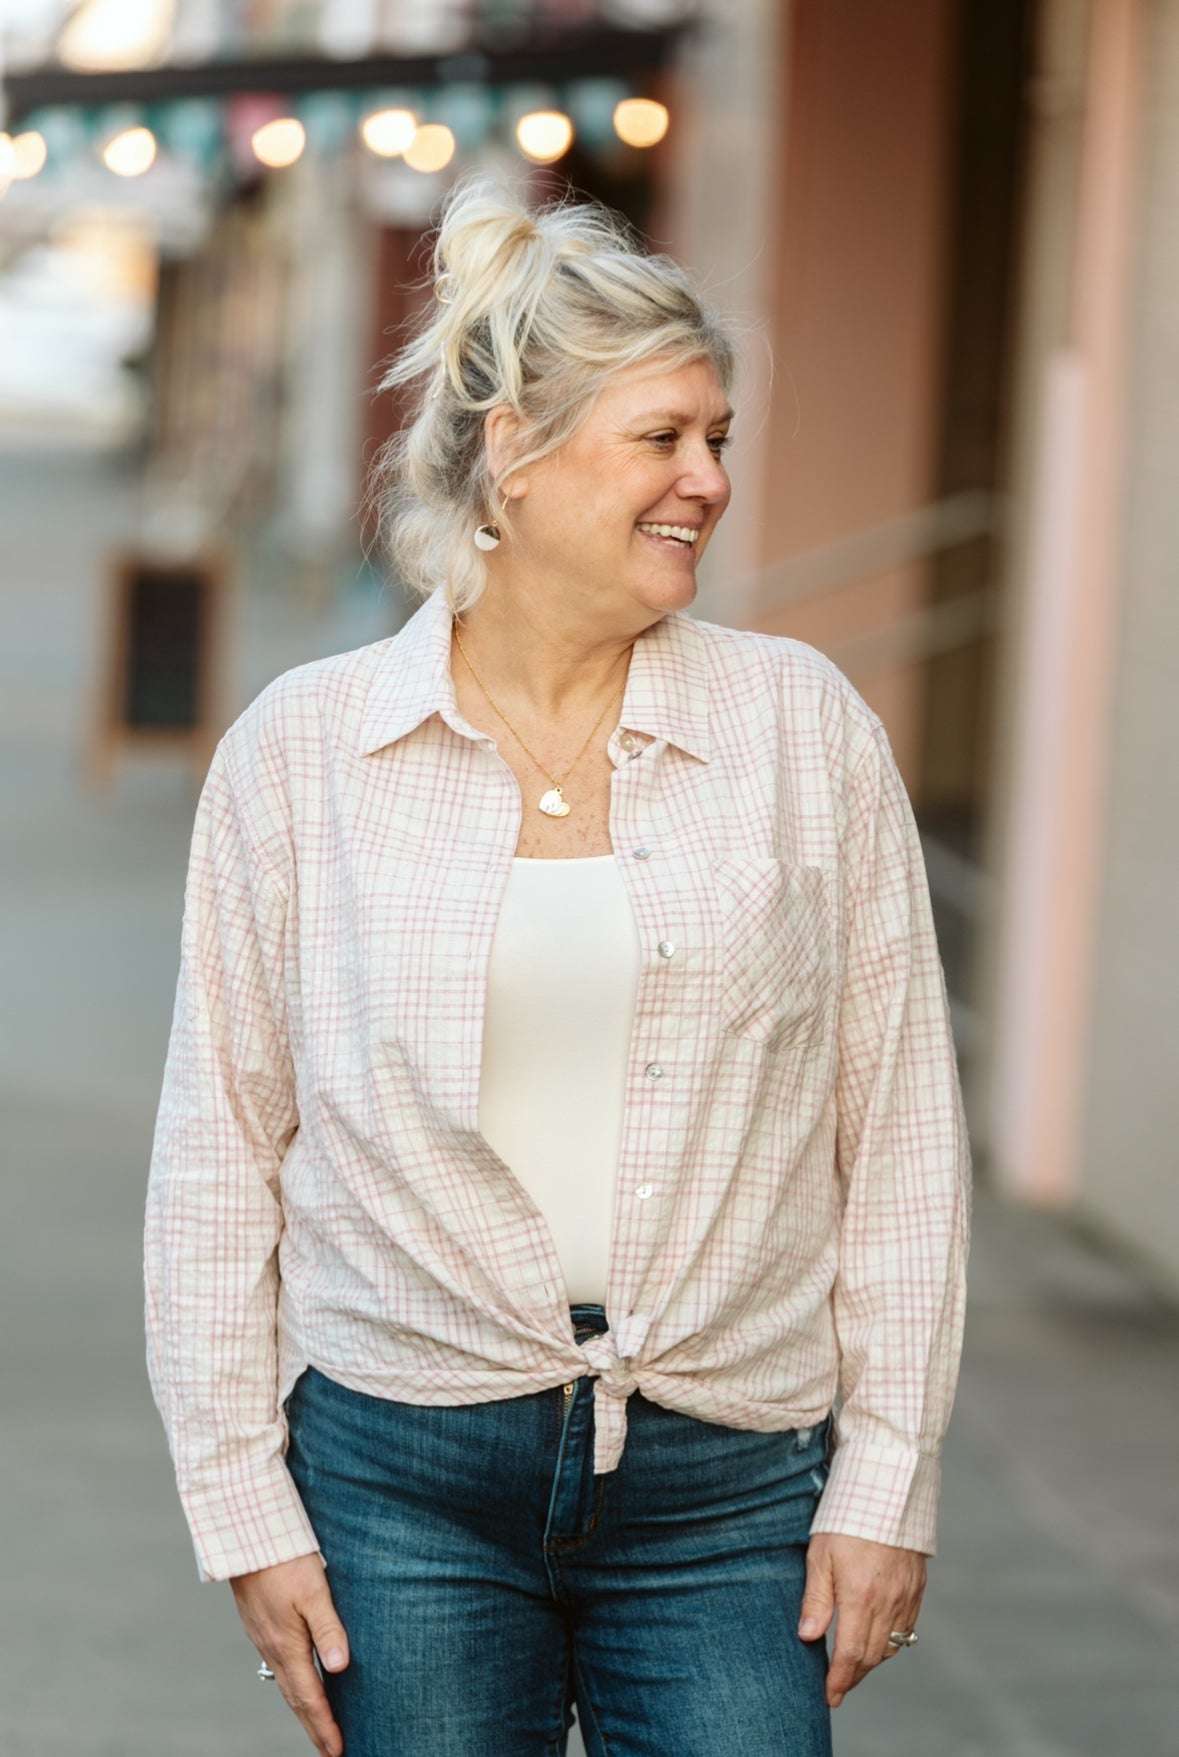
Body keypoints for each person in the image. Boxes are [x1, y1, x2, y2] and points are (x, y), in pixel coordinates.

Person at [145, 180, 970, 1757]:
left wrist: (887, 1480)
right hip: (400, 1478)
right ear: (512, 448)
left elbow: (906, 1141)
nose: (710, 480)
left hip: (730, 1485)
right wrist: (241, 1501)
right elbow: (218, 1154)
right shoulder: (305, 756)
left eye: (718, 437)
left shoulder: (803, 731)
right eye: (662, 438)